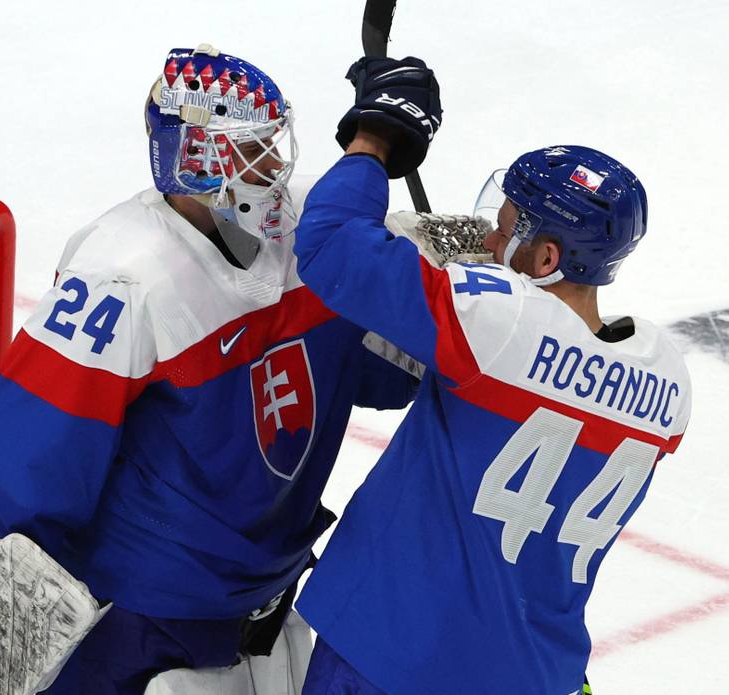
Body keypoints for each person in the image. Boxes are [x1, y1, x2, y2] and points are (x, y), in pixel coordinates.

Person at [0, 45, 418, 695]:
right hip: (140, 629)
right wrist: (20, 599)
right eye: (254, 151)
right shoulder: (124, 271)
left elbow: (380, 366)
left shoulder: (300, 232)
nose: (276, 168)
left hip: (265, 601)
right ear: (200, 159)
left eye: (273, 145)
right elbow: (22, 460)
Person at [291, 55, 692, 694]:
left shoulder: (492, 323)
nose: (488, 237)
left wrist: (375, 138)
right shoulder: (667, 385)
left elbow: (329, 243)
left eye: (505, 229)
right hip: (532, 671)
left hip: (393, 653)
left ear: (547, 256)